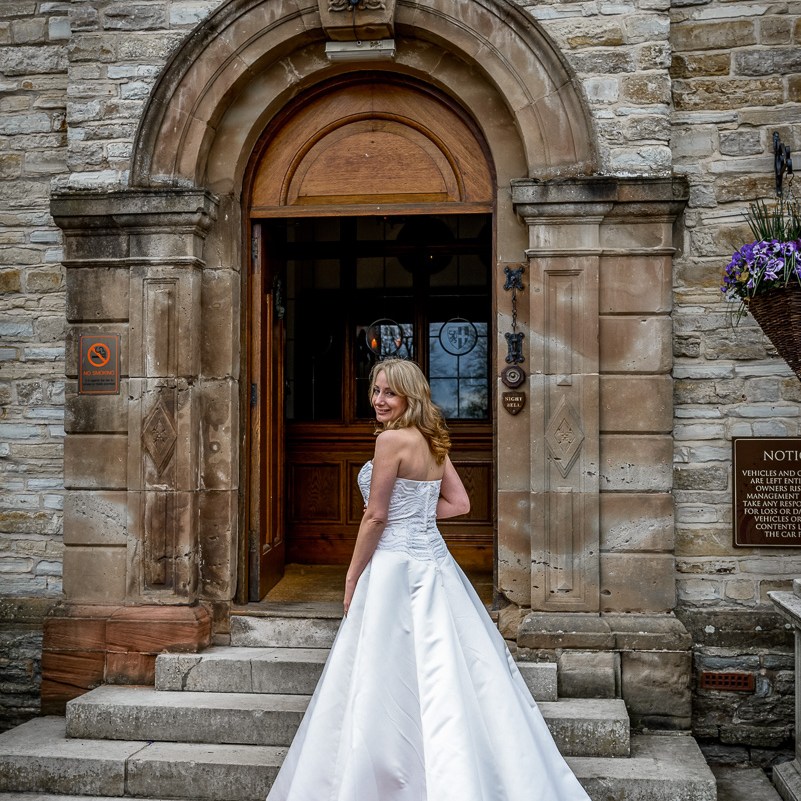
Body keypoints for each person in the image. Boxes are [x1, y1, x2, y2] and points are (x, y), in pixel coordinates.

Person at [266, 358, 591, 801]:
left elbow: (375, 516)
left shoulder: (391, 442)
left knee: (385, 671)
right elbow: (459, 504)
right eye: (375, 390)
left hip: (395, 565)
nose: (379, 400)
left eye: (389, 393)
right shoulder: (431, 440)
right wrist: (415, 516)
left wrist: (350, 576)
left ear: (409, 397)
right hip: (433, 562)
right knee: (448, 670)